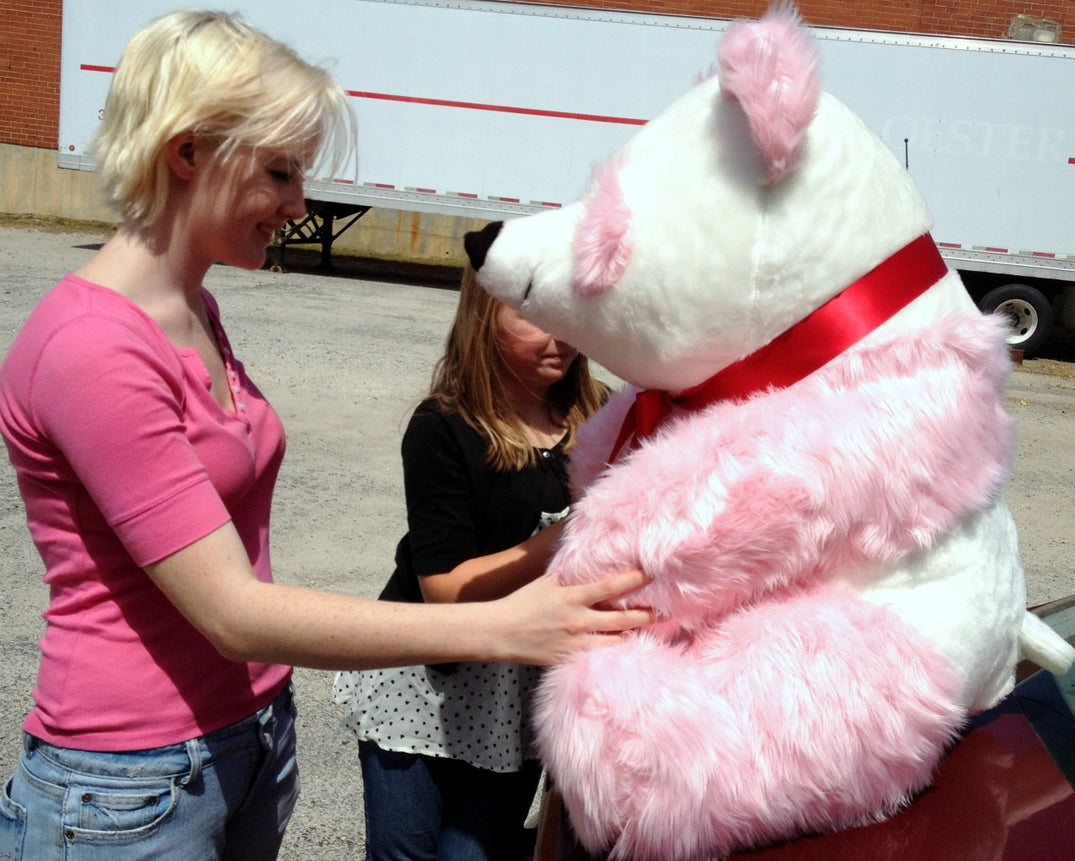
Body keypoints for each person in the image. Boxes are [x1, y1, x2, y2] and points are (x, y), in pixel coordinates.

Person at [0, 10, 650, 860]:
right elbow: (233, 613)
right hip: (130, 778)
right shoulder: (93, 346)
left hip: (242, 741)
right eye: (280, 171)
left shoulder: (194, 309)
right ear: (187, 152)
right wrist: (509, 625)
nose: (299, 204)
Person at [333, 266, 607, 860]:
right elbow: (445, 590)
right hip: (421, 677)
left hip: (516, 687)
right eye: (535, 318)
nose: (558, 337)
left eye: (569, 317)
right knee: (403, 851)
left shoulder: (601, 417)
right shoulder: (443, 426)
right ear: (484, 318)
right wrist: (569, 533)